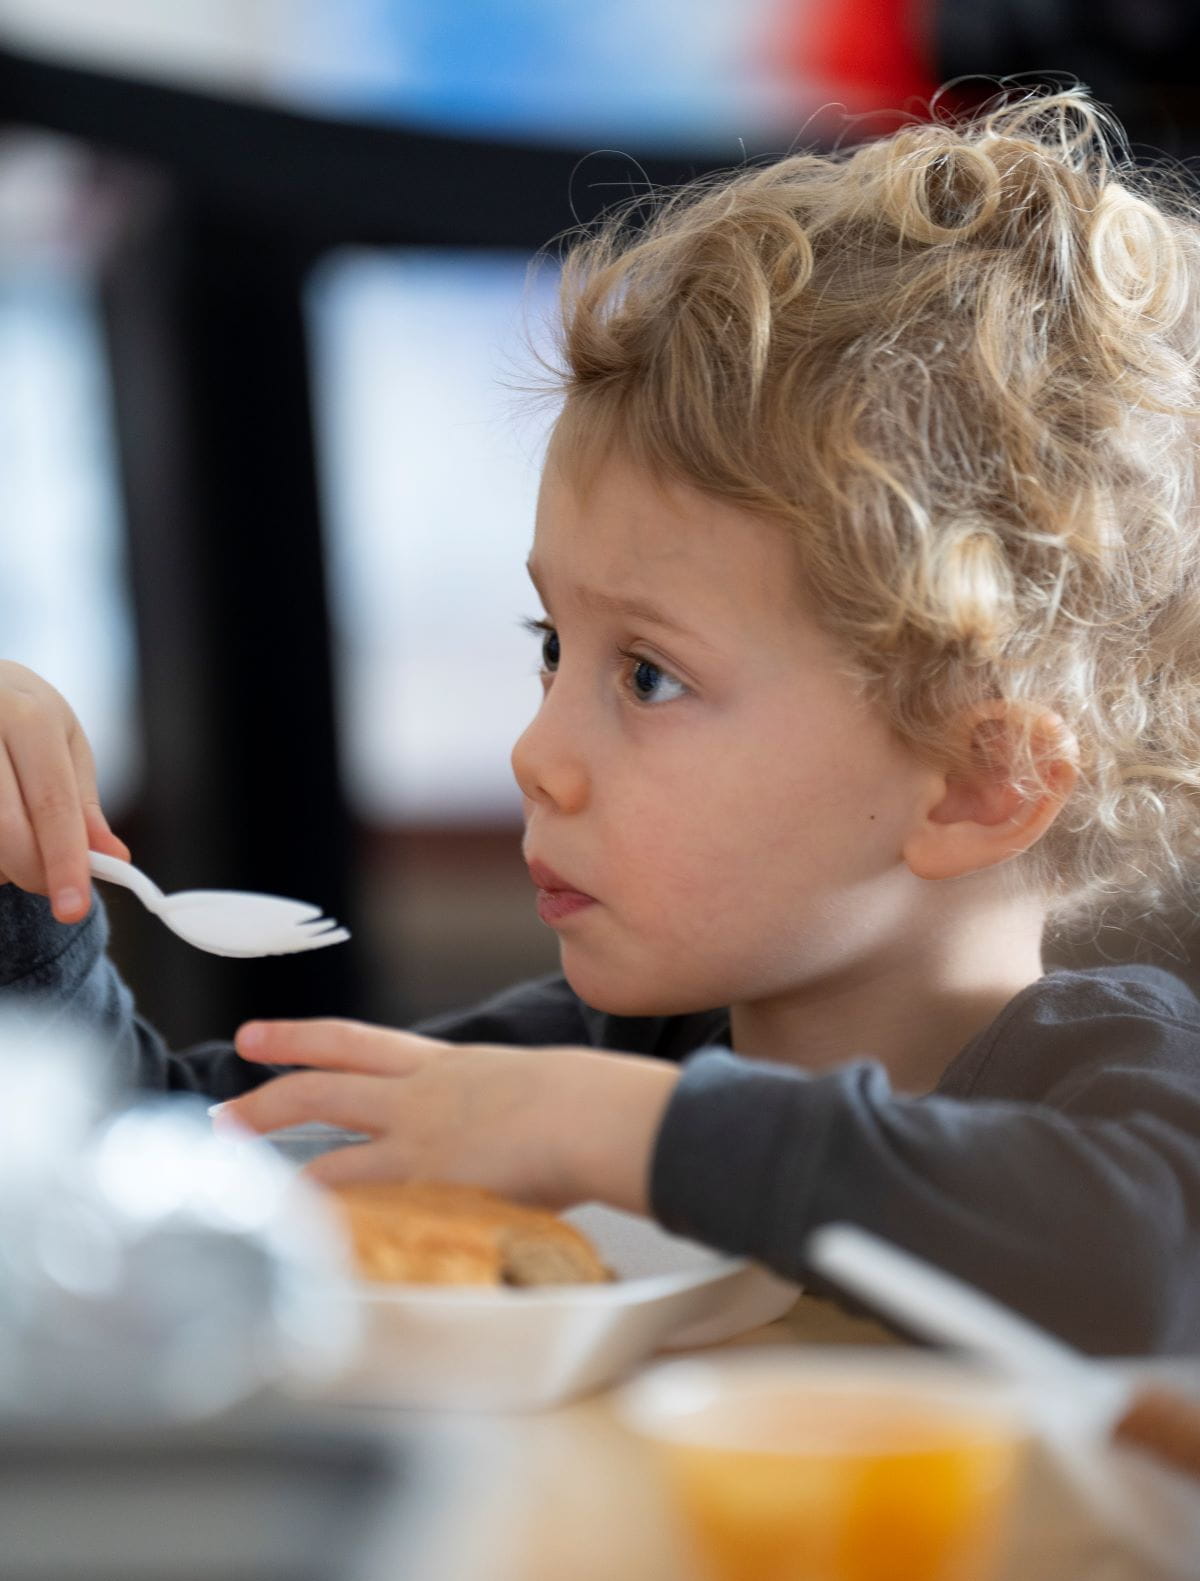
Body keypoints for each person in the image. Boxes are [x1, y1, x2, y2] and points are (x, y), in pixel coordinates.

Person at [4, 85, 1200, 1355]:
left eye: (650, 677)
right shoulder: (616, 1055)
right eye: (554, 648)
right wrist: (26, 908)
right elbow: (150, 1190)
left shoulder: (1117, 1085)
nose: (537, 755)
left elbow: (1154, 1266)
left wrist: (624, 1137)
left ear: (977, 785)